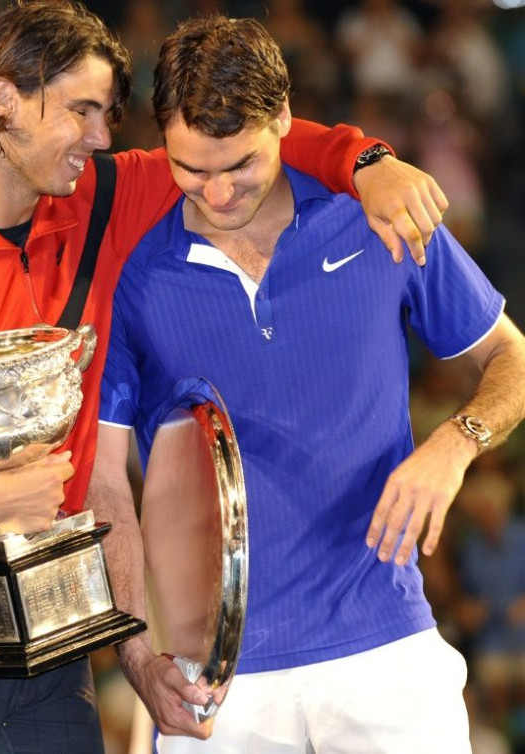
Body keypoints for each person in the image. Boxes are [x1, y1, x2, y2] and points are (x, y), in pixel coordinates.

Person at [0, 2, 450, 753]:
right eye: (81, 110)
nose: (102, 137)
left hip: (55, 627)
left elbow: (249, 142)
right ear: (5, 98)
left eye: (107, 113)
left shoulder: (104, 200)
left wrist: (367, 162)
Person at [86, 14, 525, 754]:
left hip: (387, 651)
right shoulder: (132, 273)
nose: (218, 193)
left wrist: (455, 443)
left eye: (241, 166)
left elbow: (510, 359)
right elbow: (103, 483)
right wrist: (135, 657)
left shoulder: (379, 217)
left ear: (287, 119)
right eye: (191, 169)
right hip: (211, 685)